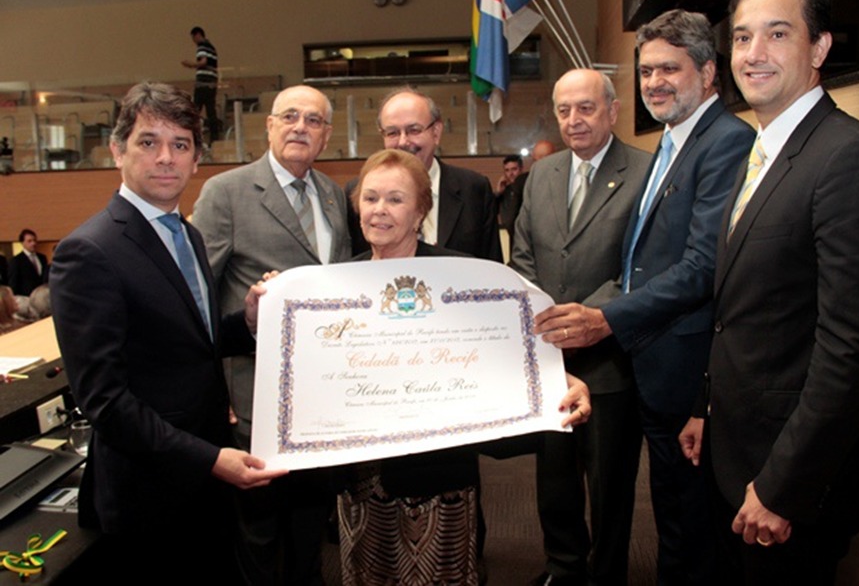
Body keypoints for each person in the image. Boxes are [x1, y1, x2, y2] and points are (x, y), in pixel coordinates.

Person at [677, 0, 859, 584]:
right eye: (742, 38)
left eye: (776, 35)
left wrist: (782, 487)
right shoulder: (763, 150)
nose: (753, 54)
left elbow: (855, 350)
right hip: (736, 447)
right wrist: (705, 407)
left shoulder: (850, 158)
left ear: (819, 48)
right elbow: (747, 305)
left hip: (793, 480)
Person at [49, 82, 286, 584]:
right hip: (148, 495)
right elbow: (105, 401)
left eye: (180, 145)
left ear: (197, 160)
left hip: (204, 481)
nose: (165, 158)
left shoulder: (189, 234)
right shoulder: (88, 251)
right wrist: (210, 460)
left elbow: (186, 343)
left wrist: (243, 324)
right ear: (117, 151)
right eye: (148, 142)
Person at [558, 10, 755, 584]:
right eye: (646, 72)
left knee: (691, 531)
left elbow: (702, 267)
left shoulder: (726, 141)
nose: (655, 83)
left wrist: (605, 317)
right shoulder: (672, 141)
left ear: (709, 71)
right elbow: (639, 261)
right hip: (654, 363)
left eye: (670, 68)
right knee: (672, 515)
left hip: (691, 373)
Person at [339, 148, 592, 586]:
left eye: (396, 199)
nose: (380, 210)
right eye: (371, 197)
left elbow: (508, 349)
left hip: (439, 478)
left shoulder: (465, 276)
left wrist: (562, 380)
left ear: (421, 210)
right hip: (361, 481)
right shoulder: (334, 286)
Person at [191, 84, 351, 585]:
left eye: (313, 120)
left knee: (310, 521)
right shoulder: (227, 192)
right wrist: (214, 390)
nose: (300, 127)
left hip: (322, 399)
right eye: (290, 116)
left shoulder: (332, 194)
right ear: (269, 126)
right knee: (258, 533)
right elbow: (196, 301)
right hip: (256, 394)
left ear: (326, 135)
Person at [510, 69, 651, 586]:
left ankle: (608, 573)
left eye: (586, 108)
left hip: (611, 358)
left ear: (612, 111)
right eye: (565, 109)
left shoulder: (646, 171)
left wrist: (591, 316)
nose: (574, 120)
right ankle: (563, 567)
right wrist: (538, 312)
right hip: (548, 358)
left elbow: (644, 263)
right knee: (554, 481)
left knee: (610, 484)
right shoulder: (542, 175)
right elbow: (523, 251)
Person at [346, 87, 502, 262]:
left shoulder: (474, 189)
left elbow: (492, 269)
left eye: (414, 130)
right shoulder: (357, 192)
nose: (403, 142)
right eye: (392, 133)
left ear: (436, 132)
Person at [181, 26, 219, 142]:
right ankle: (214, 136)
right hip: (212, 83)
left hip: (203, 82)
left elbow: (203, 61)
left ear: (197, 35)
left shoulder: (202, 46)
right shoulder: (211, 47)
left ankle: (191, 136)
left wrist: (191, 65)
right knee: (210, 110)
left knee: (195, 110)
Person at [9, 228, 49, 297]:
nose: (33, 243)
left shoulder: (42, 258)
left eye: (34, 240)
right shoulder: (16, 260)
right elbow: (13, 283)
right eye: (29, 241)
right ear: (22, 243)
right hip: (26, 298)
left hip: (42, 297)